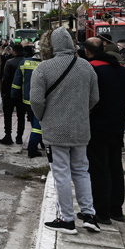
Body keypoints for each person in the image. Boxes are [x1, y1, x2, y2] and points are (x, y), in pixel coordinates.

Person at [31, 27, 100, 235]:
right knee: (81, 170)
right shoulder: (87, 67)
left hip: (55, 130)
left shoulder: (43, 68)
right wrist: (80, 113)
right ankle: (89, 215)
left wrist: (44, 117)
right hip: (80, 130)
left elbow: (35, 100)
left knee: (61, 173)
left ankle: (66, 219)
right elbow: (95, 98)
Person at [83, 37, 125, 225]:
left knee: (98, 168)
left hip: (97, 124)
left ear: (87, 51)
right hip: (117, 124)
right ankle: (116, 209)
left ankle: (101, 212)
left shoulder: (91, 69)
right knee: (115, 166)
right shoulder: (122, 70)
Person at [12, 44, 43, 157]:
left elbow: (17, 82)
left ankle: (40, 144)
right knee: (38, 125)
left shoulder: (24, 62)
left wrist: (14, 96)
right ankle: (32, 148)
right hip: (43, 100)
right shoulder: (48, 63)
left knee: (35, 124)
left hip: (28, 99)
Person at [0, 42, 27, 145]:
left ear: (14, 52)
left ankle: (8, 136)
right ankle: (19, 137)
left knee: (8, 116)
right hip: (22, 94)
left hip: (9, 94)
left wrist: (4, 94)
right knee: (21, 116)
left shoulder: (9, 62)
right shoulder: (25, 62)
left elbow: (5, 79)